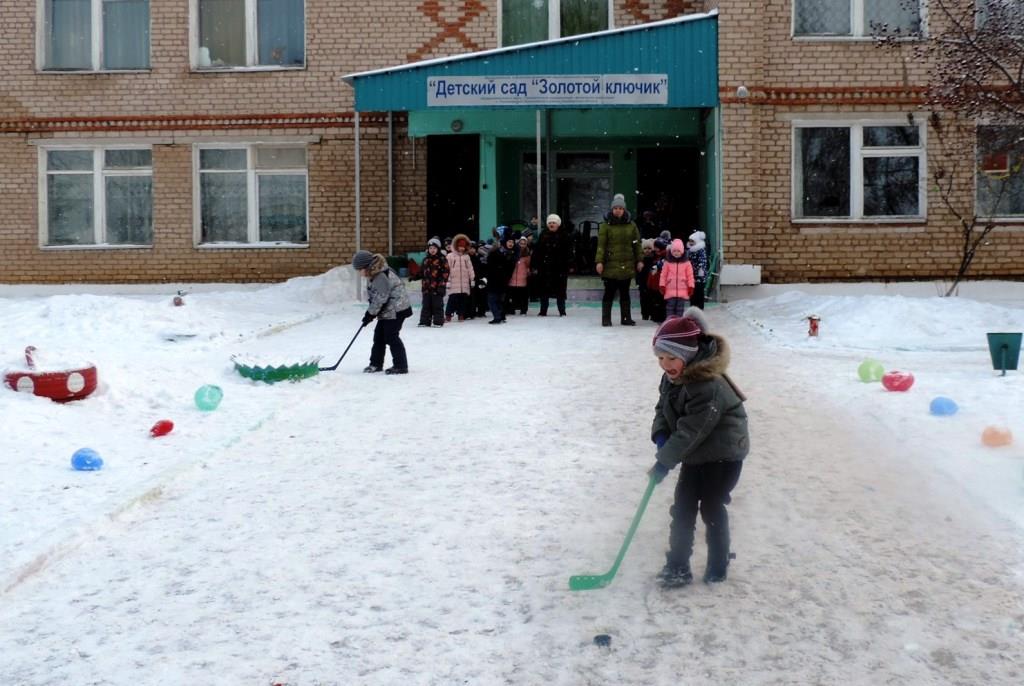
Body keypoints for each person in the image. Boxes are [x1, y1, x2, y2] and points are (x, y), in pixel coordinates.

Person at [647, 308, 749, 587]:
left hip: (724, 454)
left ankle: (718, 562)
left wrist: (664, 461)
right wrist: (660, 433)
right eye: (660, 358)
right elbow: (663, 408)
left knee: (711, 506)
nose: (665, 364)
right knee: (682, 508)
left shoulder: (707, 385)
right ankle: (677, 566)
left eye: (671, 357)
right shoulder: (672, 376)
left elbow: (694, 429)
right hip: (696, 453)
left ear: (689, 354)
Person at [351, 250, 413, 375]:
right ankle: (375, 364)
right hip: (388, 310)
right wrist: (371, 313)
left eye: (359, 269)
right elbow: (376, 297)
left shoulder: (380, 276)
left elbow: (381, 298)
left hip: (396, 309)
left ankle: (401, 366)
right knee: (379, 336)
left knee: (391, 336)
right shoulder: (374, 273)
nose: (359, 272)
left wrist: (370, 314)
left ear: (366, 266)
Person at [596, 193, 642, 326]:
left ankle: (626, 318)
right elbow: (601, 245)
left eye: (620, 208)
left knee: (625, 293)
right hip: (610, 264)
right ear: (612, 209)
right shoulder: (605, 226)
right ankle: (606, 318)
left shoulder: (631, 225)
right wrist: (599, 262)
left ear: (624, 210)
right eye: (615, 208)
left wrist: (639, 260)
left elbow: (637, 244)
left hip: (627, 264)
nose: (618, 210)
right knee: (609, 293)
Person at [532, 213, 571, 316]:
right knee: (544, 292)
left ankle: (562, 311)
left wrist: (569, 266)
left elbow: (568, 253)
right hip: (545, 268)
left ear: (558, 224)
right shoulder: (543, 235)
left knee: (560, 292)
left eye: (554, 222)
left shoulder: (564, 236)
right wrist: (535, 265)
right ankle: (543, 311)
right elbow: (537, 252)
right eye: (550, 223)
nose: (552, 224)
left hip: (559, 268)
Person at [659, 239, 695, 319]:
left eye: (678, 251)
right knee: (670, 308)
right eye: (674, 251)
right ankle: (669, 322)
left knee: (680, 309)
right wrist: (662, 285)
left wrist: (691, 286)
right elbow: (663, 275)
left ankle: (678, 323)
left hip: (683, 290)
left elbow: (690, 276)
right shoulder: (667, 263)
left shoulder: (687, 263)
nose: (676, 253)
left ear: (682, 251)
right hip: (670, 290)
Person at [417, 237, 450, 327]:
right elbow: (422, 272)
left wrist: (442, 285)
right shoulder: (425, 260)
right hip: (426, 287)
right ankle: (425, 321)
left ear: (438, 249)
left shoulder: (442, 259)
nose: (432, 250)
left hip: (437, 287)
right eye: (430, 248)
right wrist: (415, 276)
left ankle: (438, 321)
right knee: (426, 305)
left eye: (434, 248)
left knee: (437, 305)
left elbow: (446, 273)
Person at [485, 231, 516, 324]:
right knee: (498, 300)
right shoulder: (501, 253)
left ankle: (498, 317)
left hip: (499, 281)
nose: (511, 244)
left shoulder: (507, 254)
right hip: (498, 280)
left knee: (493, 300)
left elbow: (509, 268)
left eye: (512, 242)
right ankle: (501, 316)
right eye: (509, 242)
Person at [444, 233, 475, 322]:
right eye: (460, 246)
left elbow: (470, 268)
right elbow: (447, 269)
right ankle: (448, 314)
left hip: (464, 283)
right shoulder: (450, 256)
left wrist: (472, 279)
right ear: (456, 246)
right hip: (454, 282)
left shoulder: (466, 257)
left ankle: (461, 314)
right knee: (452, 299)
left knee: (463, 300)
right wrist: (448, 281)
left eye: (463, 246)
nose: (462, 248)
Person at [507, 236, 531, 315]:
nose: (522, 245)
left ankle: (523, 310)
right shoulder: (513, 252)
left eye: (524, 243)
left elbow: (528, 265)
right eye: (521, 243)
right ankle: (512, 309)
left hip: (523, 277)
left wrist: (527, 273)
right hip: (513, 277)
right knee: (513, 295)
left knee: (523, 296)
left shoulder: (527, 254)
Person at [687, 230, 709, 310]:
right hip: (691, 275)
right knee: (693, 292)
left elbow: (702, 262)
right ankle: (693, 307)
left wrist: (700, 271)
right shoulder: (690, 250)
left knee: (699, 292)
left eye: (692, 241)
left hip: (700, 276)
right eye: (690, 241)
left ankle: (699, 308)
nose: (690, 243)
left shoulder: (700, 250)